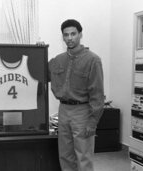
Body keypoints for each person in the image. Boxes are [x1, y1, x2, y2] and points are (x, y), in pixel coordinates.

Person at [48, 19, 105, 171]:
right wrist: (39, 50)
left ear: (80, 35)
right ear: (63, 37)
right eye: (66, 35)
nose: (70, 38)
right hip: (63, 110)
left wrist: (93, 122)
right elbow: (40, 72)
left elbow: (98, 94)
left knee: (83, 156)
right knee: (65, 155)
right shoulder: (57, 60)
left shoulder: (93, 60)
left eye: (73, 34)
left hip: (83, 112)